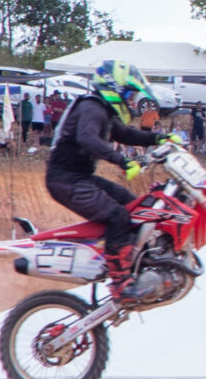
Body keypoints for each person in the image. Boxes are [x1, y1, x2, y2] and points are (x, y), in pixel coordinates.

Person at [46, 60, 167, 303]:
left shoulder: (104, 111)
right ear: (116, 88)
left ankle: (134, 264)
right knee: (118, 216)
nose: (132, 100)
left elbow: (126, 134)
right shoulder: (92, 107)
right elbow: (88, 139)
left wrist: (161, 138)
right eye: (130, 93)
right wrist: (122, 161)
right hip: (65, 180)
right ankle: (120, 284)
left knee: (135, 205)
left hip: (80, 178)